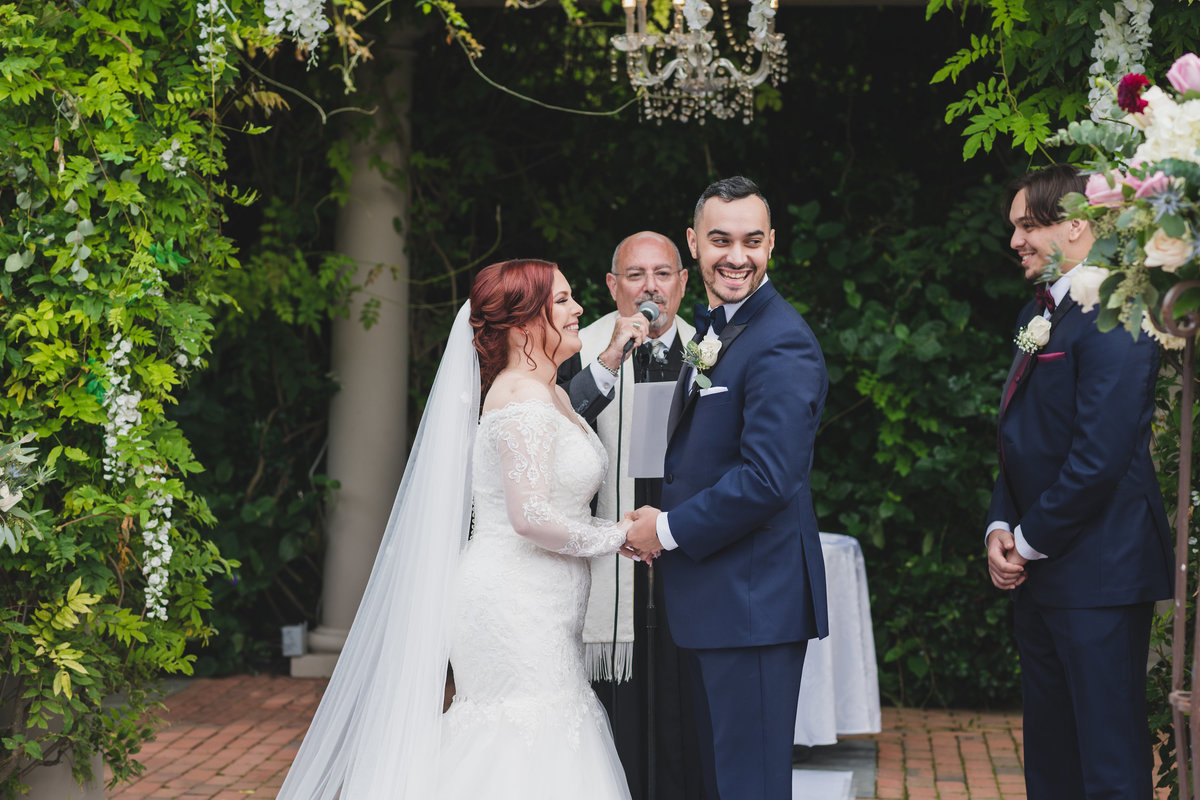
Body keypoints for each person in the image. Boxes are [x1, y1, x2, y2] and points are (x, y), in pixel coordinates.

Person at [278, 259, 636, 800]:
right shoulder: (522, 398)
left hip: (546, 600)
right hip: (511, 602)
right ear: (521, 326)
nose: (578, 310)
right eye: (562, 301)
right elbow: (529, 517)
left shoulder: (554, 393)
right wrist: (619, 536)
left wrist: (610, 531)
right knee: (516, 736)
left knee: (546, 730)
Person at [624, 176, 829, 800]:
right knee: (724, 780)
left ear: (772, 244)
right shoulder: (719, 330)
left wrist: (664, 528)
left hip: (753, 602)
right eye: (719, 240)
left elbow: (768, 477)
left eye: (751, 240)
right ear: (693, 243)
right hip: (721, 600)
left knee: (751, 784)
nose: (736, 256)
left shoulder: (782, 341)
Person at [986, 164, 1172, 800]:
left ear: (1075, 226)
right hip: (1039, 566)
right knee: (1051, 754)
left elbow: (1100, 459)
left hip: (1101, 570)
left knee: (1108, 759)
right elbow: (1018, 437)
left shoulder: (1118, 313)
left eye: (1027, 226)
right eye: (1014, 228)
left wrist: (1027, 540)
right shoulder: (1037, 313)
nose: (1015, 240)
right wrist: (998, 526)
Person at [557, 232, 705, 800]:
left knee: (682, 704)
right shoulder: (582, 351)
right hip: (608, 561)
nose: (650, 287)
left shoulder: (708, 351)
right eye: (635, 275)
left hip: (683, 550)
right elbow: (554, 434)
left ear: (682, 282)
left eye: (663, 274)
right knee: (617, 714)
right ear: (614, 286)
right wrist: (612, 356)